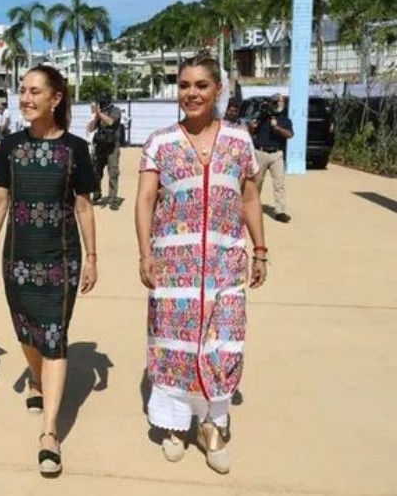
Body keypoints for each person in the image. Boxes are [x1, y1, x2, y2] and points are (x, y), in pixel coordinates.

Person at [135, 56, 268, 474]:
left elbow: (249, 198)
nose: (191, 93)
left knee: (224, 341)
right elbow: (144, 200)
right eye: (184, 85)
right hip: (175, 266)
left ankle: (213, 424)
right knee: (175, 345)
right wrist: (145, 253)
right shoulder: (160, 142)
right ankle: (175, 424)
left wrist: (260, 248)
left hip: (227, 263)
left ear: (217, 90)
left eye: (201, 86)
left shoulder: (239, 139)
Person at [0, 64, 98, 475]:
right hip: (18, 257)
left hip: (61, 259)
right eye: (23, 91)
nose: (26, 99)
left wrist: (93, 257)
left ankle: (49, 432)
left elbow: (84, 206)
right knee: (27, 330)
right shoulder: (10, 146)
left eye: (34, 91)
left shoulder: (76, 149)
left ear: (56, 97)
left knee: (54, 335)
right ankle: (35, 377)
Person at [248, 93, 294, 223]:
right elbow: (251, 131)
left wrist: (276, 127)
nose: (278, 105)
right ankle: (252, 207)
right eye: (275, 102)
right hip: (260, 152)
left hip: (276, 154)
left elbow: (289, 134)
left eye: (280, 102)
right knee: (257, 182)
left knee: (279, 183)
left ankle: (280, 211)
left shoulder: (285, 119)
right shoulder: (262, 117)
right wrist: (252, 126)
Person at [86, 94, 123, 210]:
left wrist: (99, 114)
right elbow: (91, 128)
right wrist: (95, 117)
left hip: (112, 146)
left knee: (113, 172)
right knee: (96, 171)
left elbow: (110, 122)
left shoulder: (115, 111)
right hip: (100, 146)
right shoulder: (99, 113)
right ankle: (97, 193)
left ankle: (113, 199)